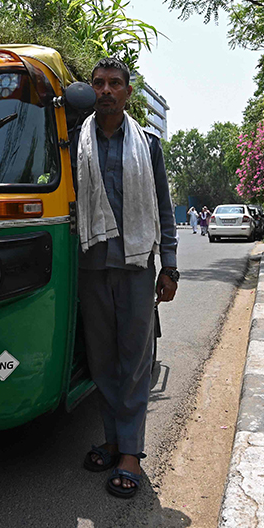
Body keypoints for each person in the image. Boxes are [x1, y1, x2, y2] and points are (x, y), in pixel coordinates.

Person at [72, 57, 178, 499]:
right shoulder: (75, 143)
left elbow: (164, 207)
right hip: (91, 266)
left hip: (136, 266)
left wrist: (169, 265)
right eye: (99, 83)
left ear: (128, 92)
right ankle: (113, 438)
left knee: (135, 361)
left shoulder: (147, 145)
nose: (106, 90)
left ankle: (131, 453)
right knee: (102, 361)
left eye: (115, 83)